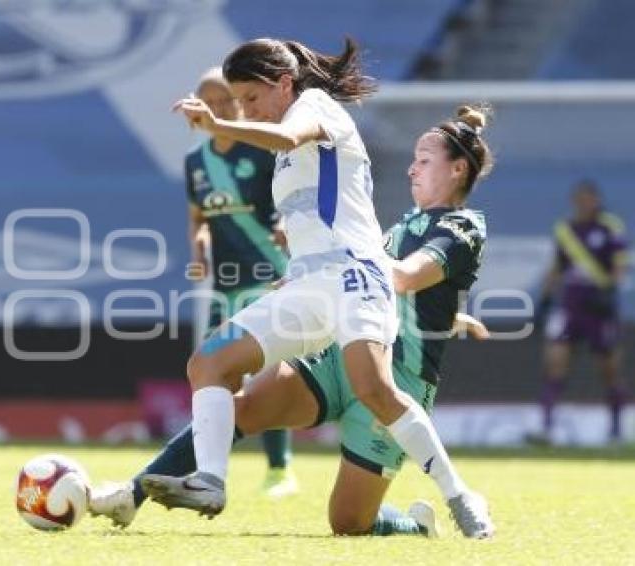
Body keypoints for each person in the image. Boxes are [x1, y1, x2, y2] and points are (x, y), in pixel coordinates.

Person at [89, 104, 496, 539]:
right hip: (337, 356)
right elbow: (362, 283)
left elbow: (404, 276)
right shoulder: (398, 227)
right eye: (413, 159)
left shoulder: (463, 227)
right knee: (241, 405)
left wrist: (334, 259)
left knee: (348, 523)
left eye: (424, 160)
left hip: (399, 376)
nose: (412, 169)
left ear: (457, 170)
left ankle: (417, 525)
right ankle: (132, 495)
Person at [183, 67, 297, 496]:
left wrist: (286, 223)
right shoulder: (196, 162)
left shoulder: (262, 151)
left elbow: (290, 197)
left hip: (267, 272)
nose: (216, 108)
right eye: (208, 102)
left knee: (269, 373)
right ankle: (210, 468)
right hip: (224, 281)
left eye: (224, 101)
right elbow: (200, 219)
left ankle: (280, 468)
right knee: (215, 372)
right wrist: (198, 250)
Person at [530, 181, 629, 445]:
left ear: (596, 200)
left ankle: (616, 431)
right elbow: (557, 267)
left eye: (588, 199)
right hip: (570, 308)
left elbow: (620, 266)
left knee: (609, 370)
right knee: (555, 363)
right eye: (579, 199)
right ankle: (546, 428)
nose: (584, 204)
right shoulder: (566, 230)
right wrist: (546, 299)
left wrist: (609, 292)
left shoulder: (610, 227)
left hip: (599, 309)